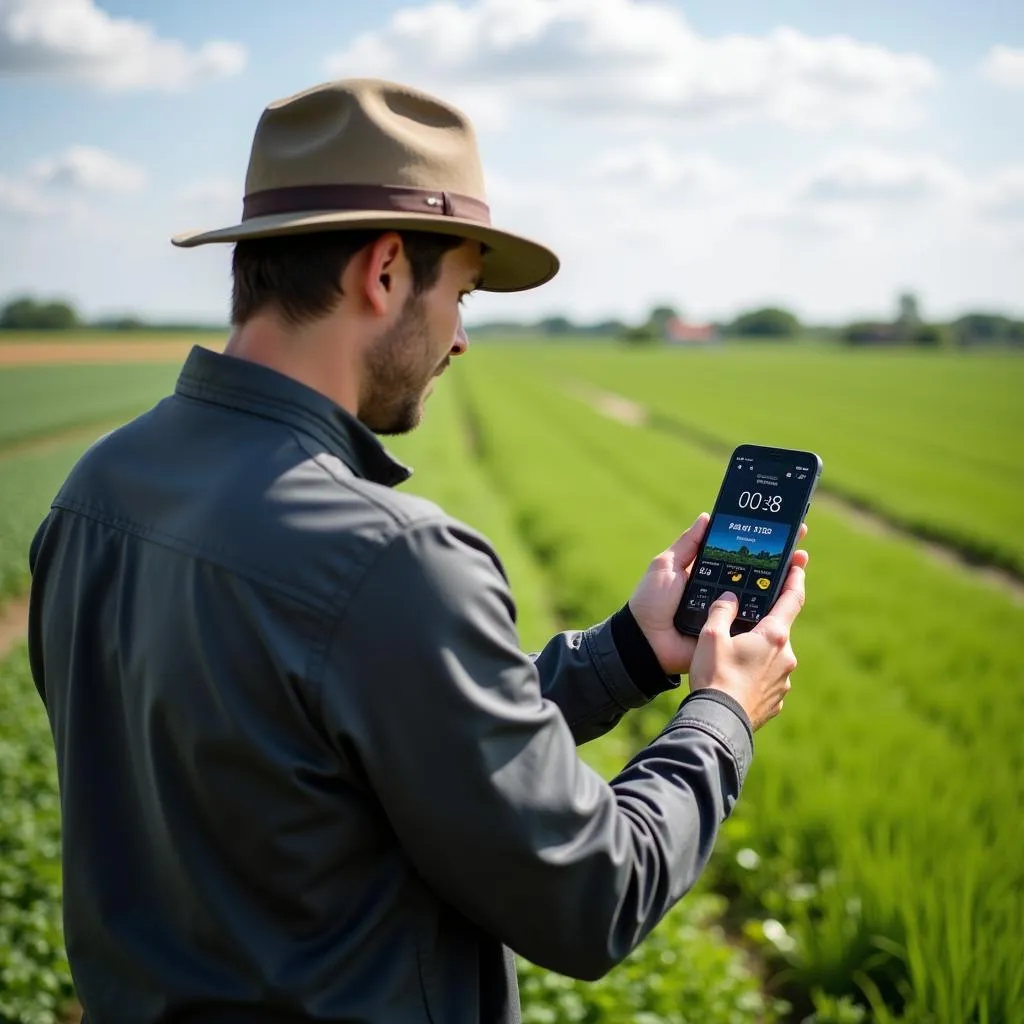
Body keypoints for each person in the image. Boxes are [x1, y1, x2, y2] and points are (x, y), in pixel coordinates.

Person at [27, 78, 807, 1024]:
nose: (462, 338)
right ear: (386, 270)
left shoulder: (96, 490)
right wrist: (722, 714)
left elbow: (360, 746)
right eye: (464, 293)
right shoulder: (391, 559)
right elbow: (593, 895)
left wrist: (630, 654)